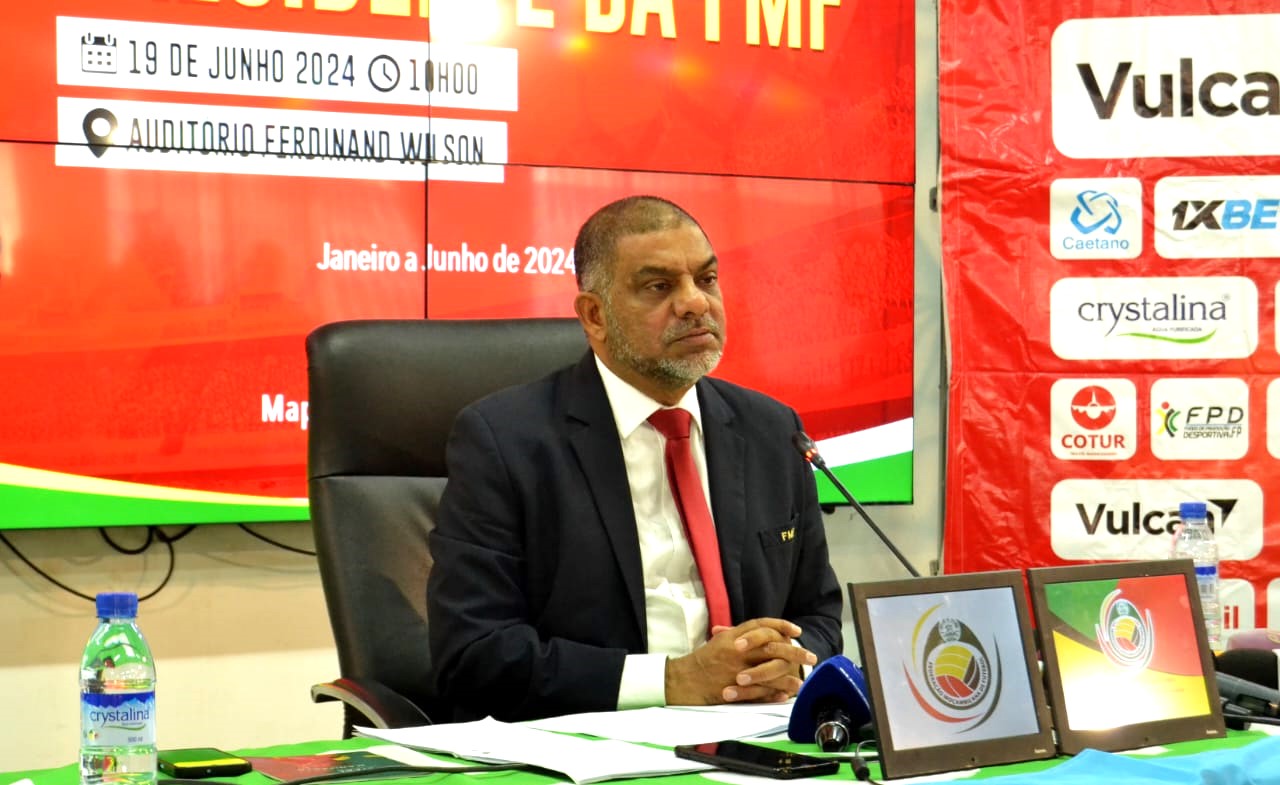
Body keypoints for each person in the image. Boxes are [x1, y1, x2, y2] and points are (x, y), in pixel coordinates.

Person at [427, 195, 842, 722]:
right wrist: (672, 680)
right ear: (595, 315)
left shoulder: (773, 430)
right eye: (659, 287)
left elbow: (819, 613)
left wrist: (788, 662)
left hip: (754, 734)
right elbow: (475, 655)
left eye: (707, 279)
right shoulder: (505, 441)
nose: (695, 303)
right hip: (594, 737)